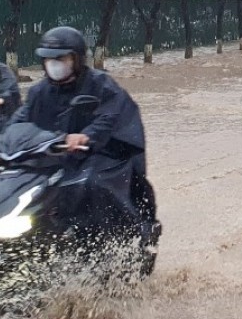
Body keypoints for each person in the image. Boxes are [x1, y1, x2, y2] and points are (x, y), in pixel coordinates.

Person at [8, 26, 158, 238]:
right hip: (51, 157)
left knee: (92, 184)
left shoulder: (102, 85)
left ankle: (113, 239)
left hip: (98, 155)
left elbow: (110, 117)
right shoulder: (38, 92)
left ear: (77, 59)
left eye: (61, 59)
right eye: (49, 59)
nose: (54, 64)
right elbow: (20, 120)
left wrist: (86, 135)